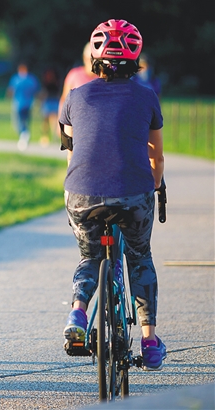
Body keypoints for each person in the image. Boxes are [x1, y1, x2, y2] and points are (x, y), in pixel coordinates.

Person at [60, 19, 166, 370]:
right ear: (136, 59)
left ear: (95, 58)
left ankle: (77, 313)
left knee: (90, 258)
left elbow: (71, 148)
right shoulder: (147, 96)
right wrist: (153, 186)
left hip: (81, 193)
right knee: (139, 258)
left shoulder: (76, 96)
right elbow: (156, 158)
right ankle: (149, 341)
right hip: (133, 193)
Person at [6, 62, 40, 150]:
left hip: (18, 104)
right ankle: (25, 134)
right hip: (29, 104)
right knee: (26, 121)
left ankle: (23, 135)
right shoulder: (32, 79)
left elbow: (11, 91)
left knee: (18, 122)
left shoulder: (16, 79)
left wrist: (8, 96)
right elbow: (37, 92)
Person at [59, 42, 98, 115]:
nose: (92, 63)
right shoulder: (74, 75)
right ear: (84, 58)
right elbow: (64, 100)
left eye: (95, 60)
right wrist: (61, 119)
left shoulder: (103, 78)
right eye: (90, 59)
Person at [39, 67, 61, 146]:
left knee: (53, 120)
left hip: (52, 101)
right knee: (46, 120)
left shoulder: (55, 82)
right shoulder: (47, 82)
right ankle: (45, 136)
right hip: (48, 101)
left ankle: (53, 136)